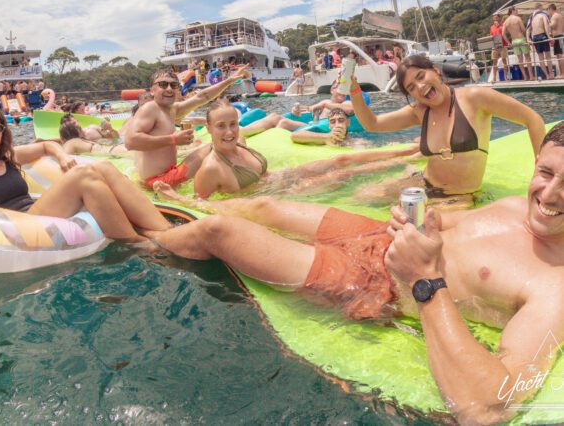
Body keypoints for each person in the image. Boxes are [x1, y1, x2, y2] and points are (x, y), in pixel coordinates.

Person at [146, 123, 564, 424]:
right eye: (545, 173)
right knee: (264, 209)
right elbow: (453, 228)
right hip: (378, 237)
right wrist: (421, 220)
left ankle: (146, 239)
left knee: (221, 233)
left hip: (375, 282)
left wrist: (425, 282)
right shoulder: (512, 206)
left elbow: (489, 407)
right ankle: (192, 204)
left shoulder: (555, 283)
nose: (549, 194)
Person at [0, 101, 170, 242]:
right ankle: (140, 246)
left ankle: (164, 230)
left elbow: (47, 145)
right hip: (20, 226)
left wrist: (61, 156)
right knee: (83, 176)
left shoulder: (7, 158)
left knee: (103, 166)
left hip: (38, 212)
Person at [350, 54, 545, 208]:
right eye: (411, 87)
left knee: (421, 229)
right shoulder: (420, 112)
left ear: (435, 71)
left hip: (460, 197)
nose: (420, 86)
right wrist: (354, 91)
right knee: (360, 197)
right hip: (423, 184)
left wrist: (542, 176)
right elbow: (372, 124)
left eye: (421, 76)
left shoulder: (474, 98)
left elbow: (533, 119)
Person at [174, 99, 419, 198]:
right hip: (278, 195)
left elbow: (271, 123)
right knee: (342, 175)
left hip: (282, 178)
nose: (228, 132)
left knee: (341, 161)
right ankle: (403, 171)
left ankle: (409, 151)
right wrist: (172, 197)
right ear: (208, 127)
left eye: (233, 124)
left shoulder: (241, 141)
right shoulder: (211, 168)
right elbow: (201, 205)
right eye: (220, 126)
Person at [125, 66, 250, 188]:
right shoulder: (150, 108)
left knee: (225, 143)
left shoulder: (171, 109)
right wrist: (173, 139)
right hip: (159, 181)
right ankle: (243, 177)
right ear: (152, 90)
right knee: (220, 145)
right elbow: (130, 142)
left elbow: (202, 97)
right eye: (163, 85)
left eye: (173, 85)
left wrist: (230, 80)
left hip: (167, 175)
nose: (169, 89)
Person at [58, 114, 129, 156]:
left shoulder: (93, 128)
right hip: (109, 151)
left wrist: (111, 129)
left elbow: (116, 138)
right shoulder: (74, 140)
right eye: (70, 125)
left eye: (74, 123)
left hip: (114, 146)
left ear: (77, 121)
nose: (74, 126)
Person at [502, 6, 533, 81]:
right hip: (521, 39)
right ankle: (531, 76)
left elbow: (503, 34)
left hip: (514, 41)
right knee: (528, 58)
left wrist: (509, 43)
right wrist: (528, 36)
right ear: (512, 11)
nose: (517, 12)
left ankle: (525, 77)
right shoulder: (517, 18)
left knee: (520, 60)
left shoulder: (506, 22)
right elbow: (523, 29)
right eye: (516, 10)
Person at [527, 2, 553, 79]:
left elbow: (528, 30)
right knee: (548, 57)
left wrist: (528, 39)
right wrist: (549, 36)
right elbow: (546, 26)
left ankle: (547, 75)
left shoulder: (531, 17)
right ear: (540, 7)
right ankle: (551, 74)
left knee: (541, 58)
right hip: (542, 36)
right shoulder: (543, 15)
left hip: (535, 37)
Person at [489, 14, 509, 83]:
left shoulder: (503, 25)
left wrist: (499, 26)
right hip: (495, 47)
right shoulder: (491, 27)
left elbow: (505, 32)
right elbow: (491, 36)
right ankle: (494, 78)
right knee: (494, 62)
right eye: (494, 18)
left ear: (499, 18)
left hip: (503, 46)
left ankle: (506, 77)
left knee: (504, 61)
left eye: (496, 18)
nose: (495, 19)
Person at [548, 3, 564, 77]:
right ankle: (561, 73)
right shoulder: (560, 15)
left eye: (548, 10)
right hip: (560, 36)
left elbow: (553, 25)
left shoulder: (554, 16)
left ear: (551, 9)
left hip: (558, 37)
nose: (549, 12)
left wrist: (548, 23)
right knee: (560, 55)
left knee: (560, 56)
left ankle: (562, 73)